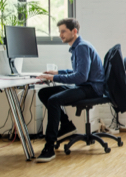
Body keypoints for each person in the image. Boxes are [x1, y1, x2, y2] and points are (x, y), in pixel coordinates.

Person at [36, 18, 105, 162]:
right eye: (59, 32)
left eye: (63, 31)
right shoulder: (77, 46)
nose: (60, 35)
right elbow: (77, 71)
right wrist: (56, 73)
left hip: (91, 88)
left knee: (54, 100)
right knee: (44, 93)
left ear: (74, 31)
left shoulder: (81, 47)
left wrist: (54, 79)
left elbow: (80, 77)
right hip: (85, 85)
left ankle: (49, 146)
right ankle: (66, 125)